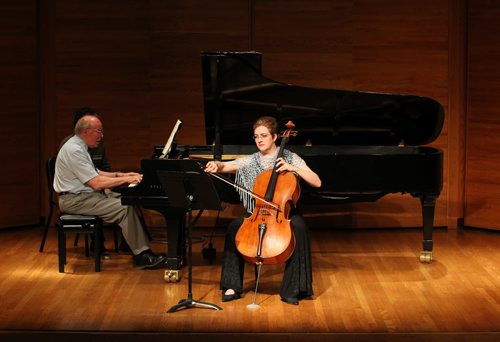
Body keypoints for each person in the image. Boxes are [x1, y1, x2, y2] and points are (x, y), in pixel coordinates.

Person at [204, 116, 322, 305]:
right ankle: (231, 285)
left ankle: (293, 289)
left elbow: (317, 181)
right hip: (258, 212)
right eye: (256, 136)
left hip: (284, 213)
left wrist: (292, 168)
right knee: (234, 228)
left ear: (275, 137)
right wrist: (216, 165)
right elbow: (227, 165)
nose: (259, 140)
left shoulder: (291, 157)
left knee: (299, 229)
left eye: (264, 135)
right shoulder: (251, 161)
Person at [54, 114, 166, 269]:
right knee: (124, 207)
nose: (102, 135)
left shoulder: (79, 146)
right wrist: (126, 180)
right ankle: (142, 256)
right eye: (99, 131)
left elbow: (96, 173)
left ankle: (132, 245)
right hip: (75, 200)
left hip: (84, 196)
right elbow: (96, 183)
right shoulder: (74, 150)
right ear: (86, 131)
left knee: (130, 198)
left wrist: (124, 175)